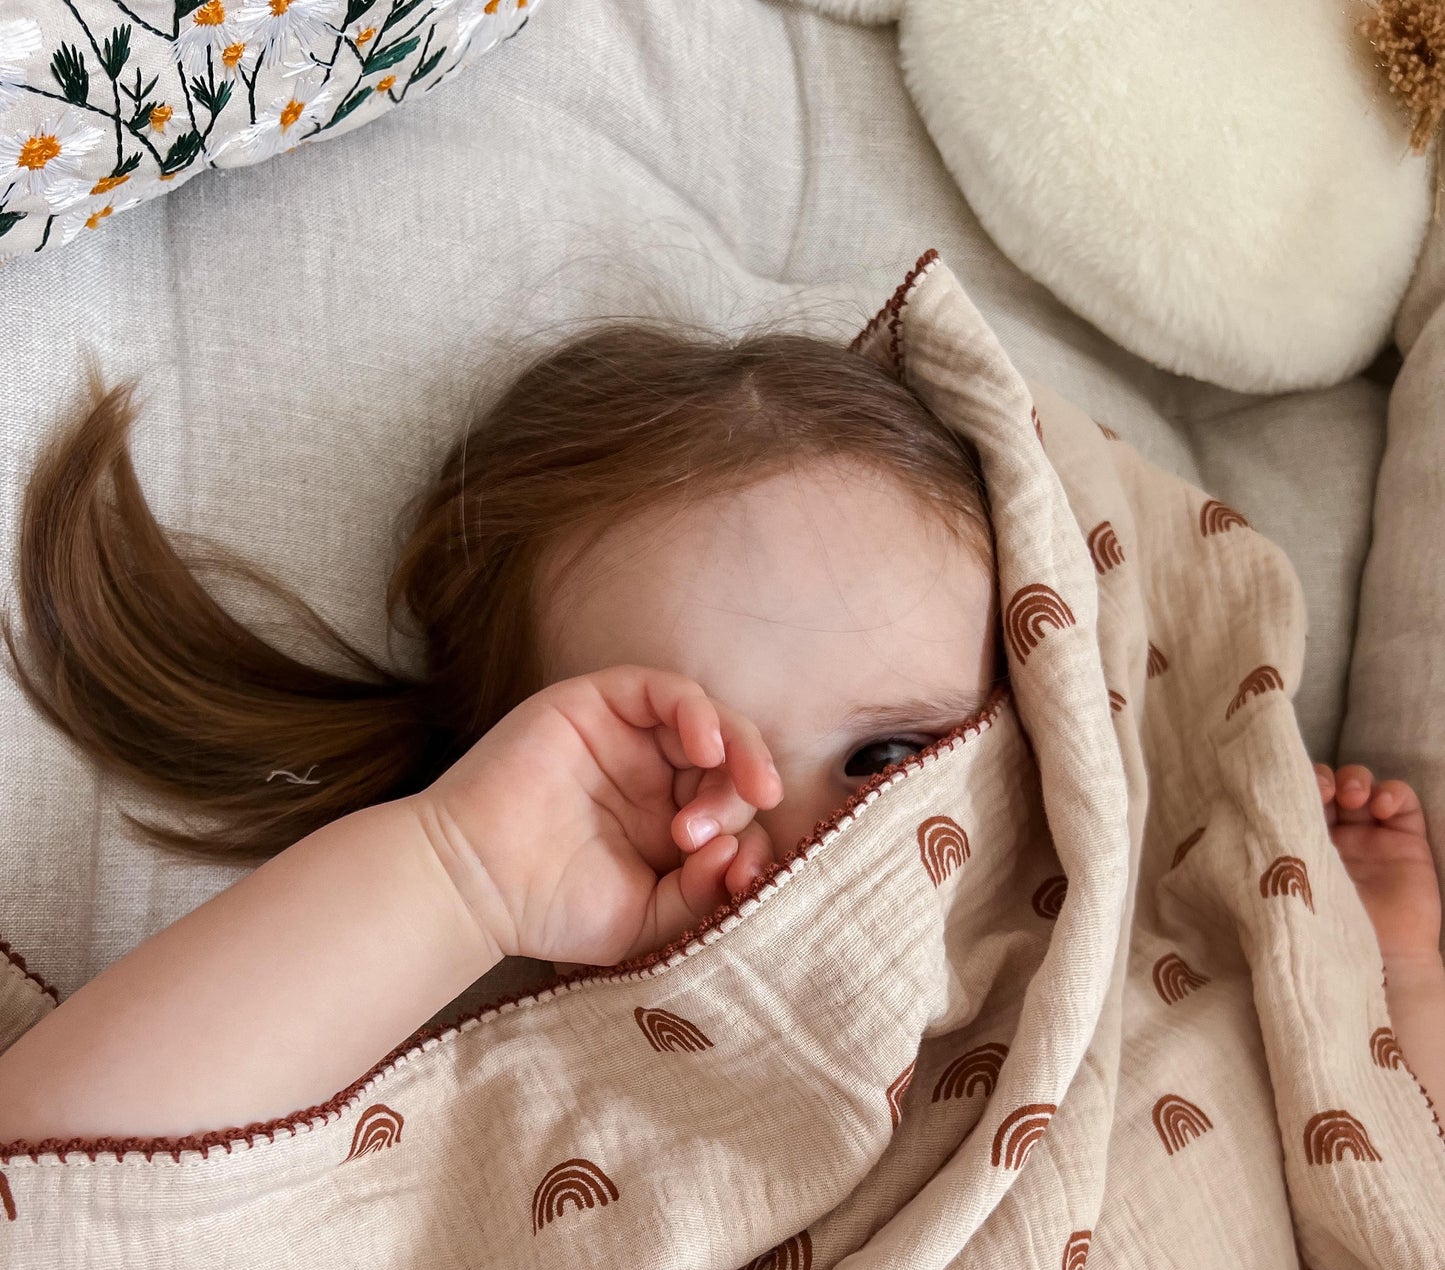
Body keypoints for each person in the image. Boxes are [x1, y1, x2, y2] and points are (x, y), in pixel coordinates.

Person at [0, 321, 1440, 1145]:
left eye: (890, 758)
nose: (822, 845)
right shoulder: (532, 1049)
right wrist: (457, 876)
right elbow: (56, 1182)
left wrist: (1376, 984)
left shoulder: (1145, 953)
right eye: (692, 784)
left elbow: (1380, 1242)